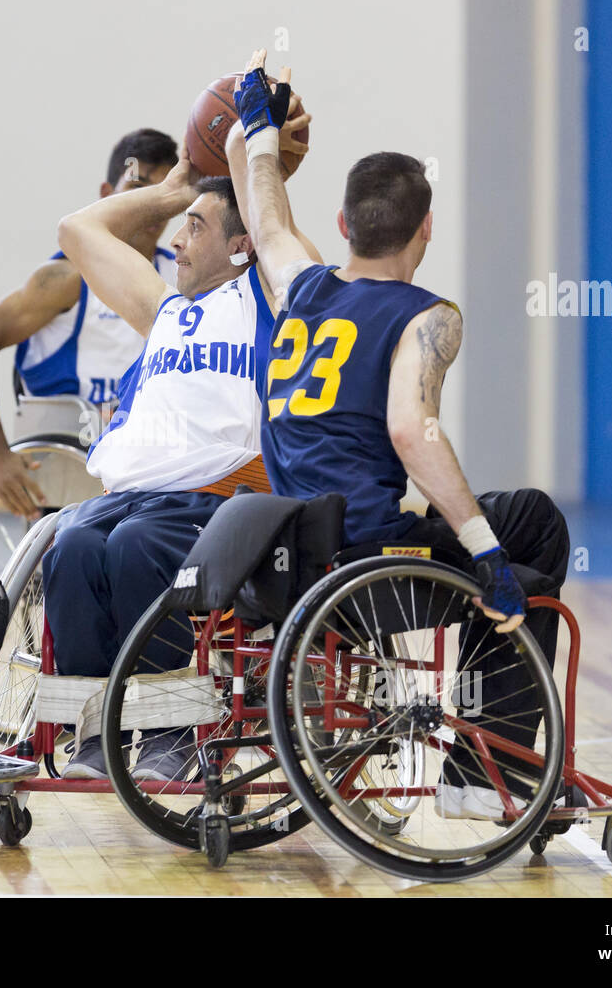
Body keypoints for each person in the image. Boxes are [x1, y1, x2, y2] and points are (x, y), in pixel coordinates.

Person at [231, 50, 569, 819]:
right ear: (425, 229)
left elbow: (267, 218)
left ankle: (475, 763)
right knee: (526, 553)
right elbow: (412, 431)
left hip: (291, 550)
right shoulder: (428, 314)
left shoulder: (302, 288)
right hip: (369, 563)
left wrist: (257, 127)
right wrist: (485, 552)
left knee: (519, 517)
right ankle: (479, 779)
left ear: (344, 225)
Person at [44, 103, 314, 780]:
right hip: (128, 495)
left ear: (241, 244)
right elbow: (77, 228)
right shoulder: (163, 309)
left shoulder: (267, 300)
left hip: (214, 499)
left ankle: (172, 733)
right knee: (71, 545)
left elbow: (282, 237)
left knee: (138, 549)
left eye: (194, 226)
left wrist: (261, 164)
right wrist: (171, 193)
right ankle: (90, 735)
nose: (175, 239)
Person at [0, 129, 179, 519]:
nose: (148, 204)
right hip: (71, 467)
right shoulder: (65, 278)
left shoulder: (181, 274)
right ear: (106, 193)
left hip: (151, 468)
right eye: (138, 186)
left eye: (161, 193)